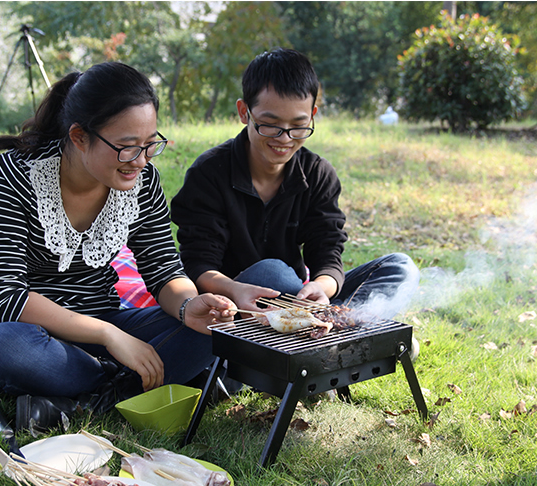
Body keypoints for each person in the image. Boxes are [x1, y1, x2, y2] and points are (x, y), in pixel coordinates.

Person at [0, 61, 237, 433]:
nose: (139, 161)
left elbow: (165, 270)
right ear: (79, 136)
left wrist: (189, 307)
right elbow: (2, 294)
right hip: (31, 335)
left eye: (149, 144)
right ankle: (134, 384)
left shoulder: (142, 179)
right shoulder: (12, 175)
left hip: (107, 324)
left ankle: (86, 399)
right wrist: (110, 336)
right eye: (125, 148)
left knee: (216, 328)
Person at [171, 48, 418, 349]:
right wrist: (235, 289)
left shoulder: (318, 174)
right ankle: (345, 342)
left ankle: (326, 330)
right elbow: (198, 265)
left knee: (399, 268)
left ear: (313, 114)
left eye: (299, 126)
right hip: (235, 307)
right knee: (274, 273)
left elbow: (327, 253)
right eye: (270, 124)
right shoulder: (209, 173)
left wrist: (320, 288)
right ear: (243, 111)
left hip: (297, 302)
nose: (285, 138)